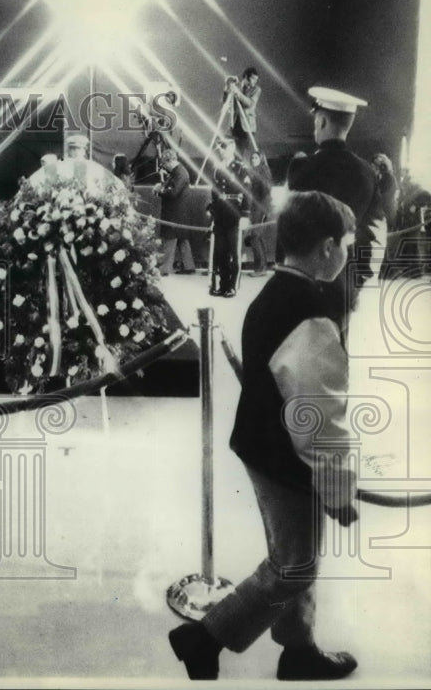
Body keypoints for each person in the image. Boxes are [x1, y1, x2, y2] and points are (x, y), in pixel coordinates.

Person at [169, 191, 359, 682]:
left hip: (260, 446)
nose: (347, 256)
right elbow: (316, 417)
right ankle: (204, 638)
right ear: (325, 248)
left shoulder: (272, 292)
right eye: (347, 245)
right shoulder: (312, 311)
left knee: (299, 552)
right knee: (294, 566)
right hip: (287, 460)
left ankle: (299, 650)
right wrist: (338, 489)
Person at [288, 87, 386, 331]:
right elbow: (374, 237)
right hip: (343, 289)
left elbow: (288, 236)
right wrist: (354, 286)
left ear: (321, 121)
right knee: (337, 358)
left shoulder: (302, 169)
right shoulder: (368, 174)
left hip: (303, 289)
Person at [208, 138, 251, 297]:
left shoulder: (240, 169)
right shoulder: (217, 169)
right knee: (220, 252)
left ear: (232, 149)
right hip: (220, 215)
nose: (221, 150)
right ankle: (222, 284)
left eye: (224, 148)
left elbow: (247, 192)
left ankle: (232, 286)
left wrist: (245, 215)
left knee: (234, 252)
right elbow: (214, 193)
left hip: (235, 215)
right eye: (220, 148)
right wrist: (212, 213)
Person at [156, 148, 196, 275]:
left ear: (170, 161)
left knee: (170, 239)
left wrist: (160, 191)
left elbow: (173, 193)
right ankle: (189, 266)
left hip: (174, 212)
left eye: (164, 164)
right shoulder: (178, 171)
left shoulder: (179, 173)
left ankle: (165, 268)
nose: (164, 167)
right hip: (180, 211)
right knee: (182, 239)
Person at [244, 151, 273, 276]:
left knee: (255, 237)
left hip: (262, 207)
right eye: (252, 157)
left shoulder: (263, 170)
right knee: (257, 237)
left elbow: (266, 188)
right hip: (258, 207)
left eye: (256, 157)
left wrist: (252, 174)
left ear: (261, 159)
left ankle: (260, 268)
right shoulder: (258, 170)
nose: (253, 159)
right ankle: (261, 267)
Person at [226, 67, 261, 160]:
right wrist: (227, 86)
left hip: (247, 126)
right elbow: (226, 101)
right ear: (246, 76)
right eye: (253, 79)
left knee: (242, 154)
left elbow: (250, 103)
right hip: (235, 125)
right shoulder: (237, 86)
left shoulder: (257, 90)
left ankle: (242, 172)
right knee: (232, 152)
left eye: (256, 80)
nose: (255, 82)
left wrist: (237, 92)